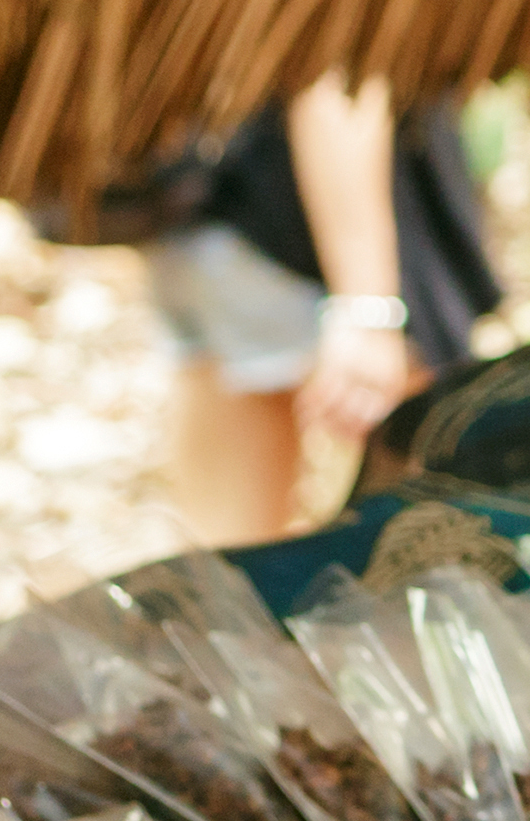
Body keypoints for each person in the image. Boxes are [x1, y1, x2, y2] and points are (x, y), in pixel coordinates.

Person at [138, 76, 502, 546]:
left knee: (237, 553)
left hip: (201, 227)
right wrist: (366, 310)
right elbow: (336, 71)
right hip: (288, 236)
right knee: (425, 506)